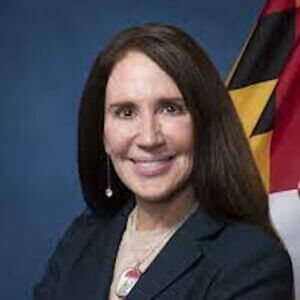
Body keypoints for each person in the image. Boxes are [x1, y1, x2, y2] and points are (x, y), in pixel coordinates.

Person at [33, 24, 294, 299]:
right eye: (125, 112)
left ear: (205, 125)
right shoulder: (83, 239)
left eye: (170, 108)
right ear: (103, 135)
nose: (148, 137)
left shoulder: (252, 261)